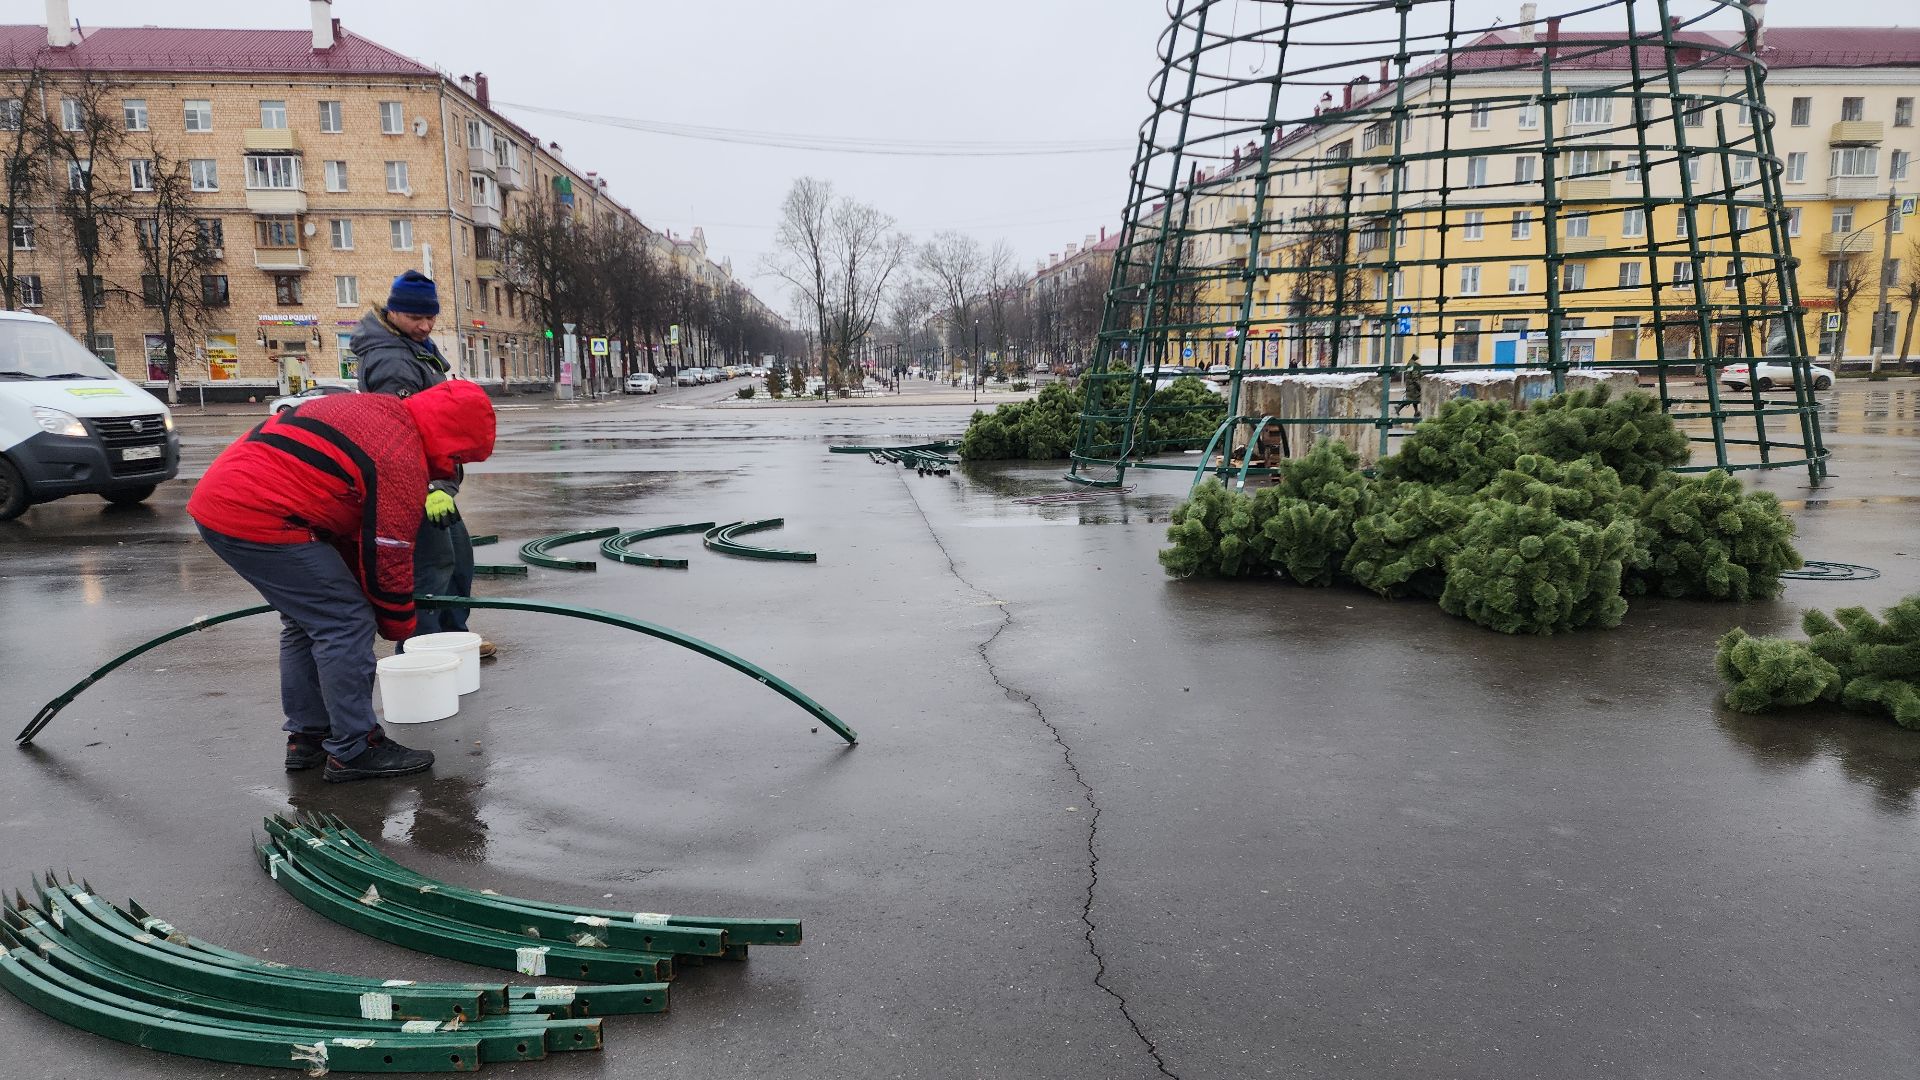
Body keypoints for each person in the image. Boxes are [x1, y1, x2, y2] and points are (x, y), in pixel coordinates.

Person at [187, 380, 497, 782]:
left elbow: (357, 536)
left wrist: (371, 593)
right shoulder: (400, 456)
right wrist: (398, 624)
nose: (454, 464)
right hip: (262, 515)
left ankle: (309, 736)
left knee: (306, 621)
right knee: (345, 621)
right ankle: (354, 747)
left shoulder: (381, 412)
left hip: (221, 503)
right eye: (458, 455)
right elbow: (388, 551)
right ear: (449, 435)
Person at [353, 271, 494, 657]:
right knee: (432, 567)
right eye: (417, 318)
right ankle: (426, 647)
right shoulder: (392, 361)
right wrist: (431, 487)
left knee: (458, 558)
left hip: (435, 478)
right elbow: (401, 434)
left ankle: (453, 636)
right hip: (416, 482)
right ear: (395, 312)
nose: (426, 325)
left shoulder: (414, 348)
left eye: (430, 317)